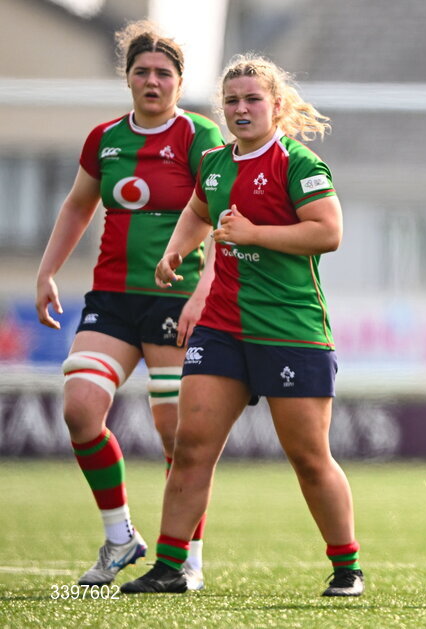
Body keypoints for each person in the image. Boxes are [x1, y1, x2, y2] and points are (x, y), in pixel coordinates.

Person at [119, 53, 360, 597]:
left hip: (290, 331)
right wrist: (176, 250)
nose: (241, 108)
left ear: (276, 106)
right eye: (232, 100)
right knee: (191, 446)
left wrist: (254, 234)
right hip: (222, 328)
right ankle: (171, 565)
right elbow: (199, 211)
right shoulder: (215, 162)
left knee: (308, 456)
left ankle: (347, 567)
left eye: (253, 99)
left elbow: (328, 232)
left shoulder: (298, 164)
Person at [34, 20, 223, 590]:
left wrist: (204, 290)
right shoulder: (104, 138)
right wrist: (47, 271)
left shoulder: (200, 136)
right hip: (112, 298)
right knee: (80, 409)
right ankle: (120, 539)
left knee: (178, 435)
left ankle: (186, 558)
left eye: (163, 73)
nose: (152, 80)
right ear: (128, 79)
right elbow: (76, 207)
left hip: (175, 300)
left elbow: (221, 221)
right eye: (141, 71)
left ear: (179, 81)